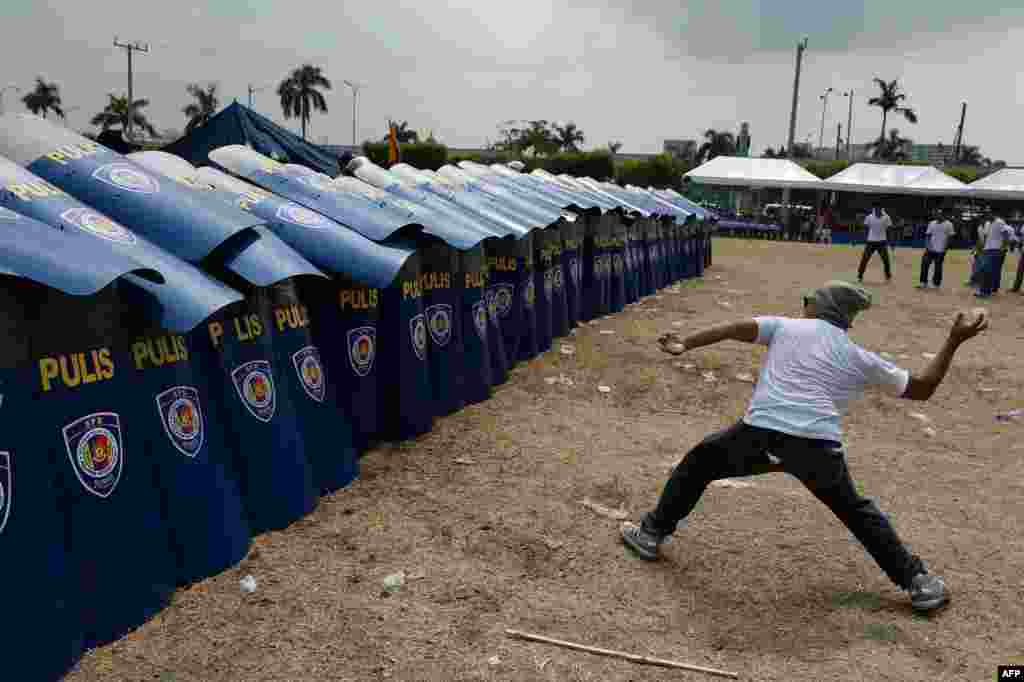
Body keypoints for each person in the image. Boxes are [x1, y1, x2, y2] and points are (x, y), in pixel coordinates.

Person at [623, 281, 988, 612]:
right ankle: (919, 582)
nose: (803, 305)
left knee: (699, 462)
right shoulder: (858, 356)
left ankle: (652, 534)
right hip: (817, 446)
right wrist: (953, 340)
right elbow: (922, 387)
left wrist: (686, 342)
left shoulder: (785, 327)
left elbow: (734, 328)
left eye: (808, 301)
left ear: (818, 307)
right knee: (858, 512)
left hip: (759, 434)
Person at [976, 209, 1016, 298]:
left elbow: (1005, 234)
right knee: (984, 270)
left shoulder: (999, 222)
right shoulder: (987, 224)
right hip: (987, 249)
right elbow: (986, 237)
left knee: (988, 271)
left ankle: (985, 292)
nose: (986, 216)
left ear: (992, 214)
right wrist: (982, 248)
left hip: (995, 249)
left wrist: (1002, 248)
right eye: (985, 214)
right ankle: (985, 290)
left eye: (988, 214)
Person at [917, 211, 956, 289]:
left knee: (938, 267)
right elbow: (927, 236)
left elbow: (950, 238)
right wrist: (928, 246)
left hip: (941, 249)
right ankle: (923, 282)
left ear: (943, 215)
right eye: (936, 214)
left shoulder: (949, 224)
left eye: (939, 214)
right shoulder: (931, 223)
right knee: (924, 264)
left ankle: (936, 284)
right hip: (930, 249)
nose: (937, 216)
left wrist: (945, 249)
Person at [857, 203, 893, 282]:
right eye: (876, 208)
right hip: (870, 242)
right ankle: (860, 275)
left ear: (881, 209)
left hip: (882, 242)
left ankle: (888, 276)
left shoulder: (887, 218)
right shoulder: (869, 217)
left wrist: (891, 242)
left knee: (886, 260)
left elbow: (889, 230)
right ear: (874, 209)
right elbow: (865, 229)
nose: (877, 210)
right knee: (865, 259)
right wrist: (862, 239)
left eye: (879, 208)